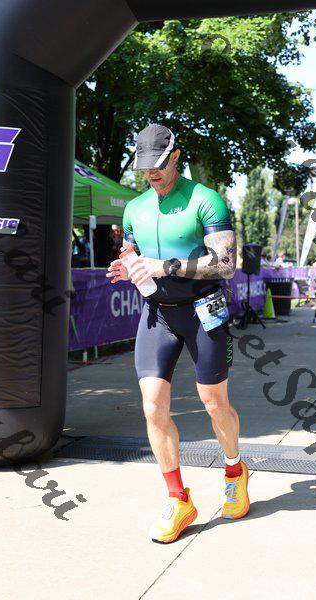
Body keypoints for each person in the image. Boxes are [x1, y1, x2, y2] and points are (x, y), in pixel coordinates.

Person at [106, 124, 249, 543]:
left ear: (176, 156)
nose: (151, 172)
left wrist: (165, 266)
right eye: (144, 166)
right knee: (153, 406)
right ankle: (178, 499)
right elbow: (132, 251)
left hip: (205, 310)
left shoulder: (205, 199)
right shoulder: (135, 208)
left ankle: (235, 471)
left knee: (214, 403)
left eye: (158, 164)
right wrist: (127, 264)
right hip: (158, 314)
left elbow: (226, 264)